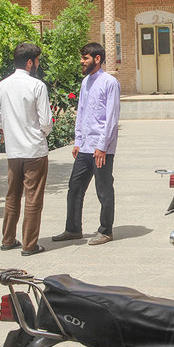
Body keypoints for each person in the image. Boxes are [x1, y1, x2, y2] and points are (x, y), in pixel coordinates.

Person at [52, 42, 121, 245]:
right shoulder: (85, 83)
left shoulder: (110, 83)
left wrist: (102, 146)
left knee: (103, 189)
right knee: (75, 186)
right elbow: (81, 112)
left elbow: (111, 117)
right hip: (86, 146)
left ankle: (106, 230)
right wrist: (78, 140)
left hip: (102, 148)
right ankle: (73, 229)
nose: (81, 62)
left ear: (97, 59)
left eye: (85, 58)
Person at [0, 43, 53, 256]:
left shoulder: (2, 86)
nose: (37, 64)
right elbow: (46, 121)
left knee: (12, 195)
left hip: (14, 150)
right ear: (30, 62)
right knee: (33, 198)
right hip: (34, 150)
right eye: (37, 61)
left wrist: (13, 130)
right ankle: (30, 244)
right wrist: (39, 134)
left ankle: (8, 239)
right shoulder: (37, 86)